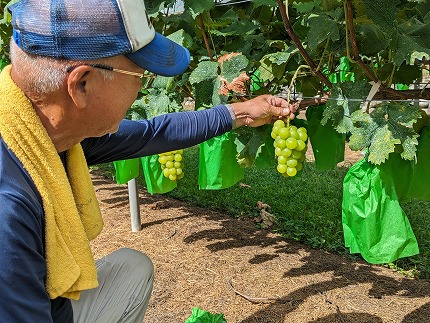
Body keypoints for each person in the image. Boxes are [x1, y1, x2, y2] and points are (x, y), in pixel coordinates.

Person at [0, 0, 298, 322]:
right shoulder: (8, 210)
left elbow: (152, 133)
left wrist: (241, 111)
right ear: (82, 85)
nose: (143, 85)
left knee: (133, 267)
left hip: (47, 302)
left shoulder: (40, 133)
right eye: (139, 73)